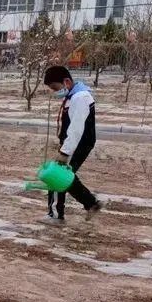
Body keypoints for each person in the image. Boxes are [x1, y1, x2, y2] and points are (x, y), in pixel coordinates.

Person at [41, 65, 104, 225]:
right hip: (76, 143)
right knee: (67, 176)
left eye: (55, 88)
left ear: (67, 82)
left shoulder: (80, 97)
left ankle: (55, 215)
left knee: (56, 176)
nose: (54, 92)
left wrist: (65, 151)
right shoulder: (74, 95)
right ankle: (91, 203)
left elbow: (76, 128)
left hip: (78, 144)